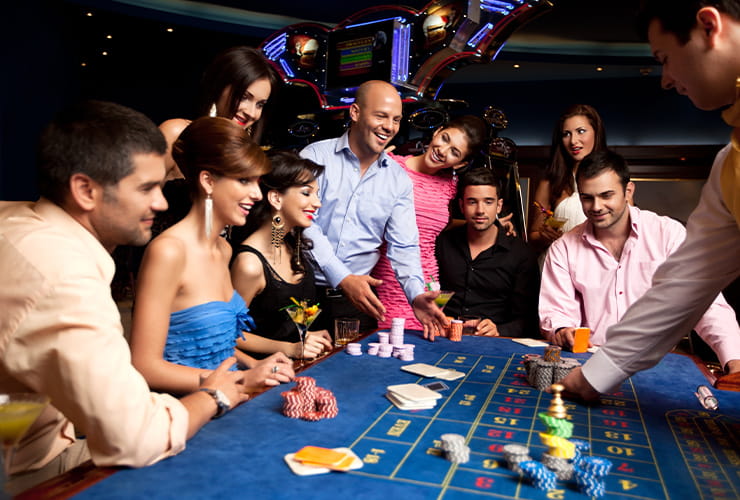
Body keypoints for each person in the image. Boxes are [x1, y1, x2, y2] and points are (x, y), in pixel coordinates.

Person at [0, 101, 249, 494]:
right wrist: (213, 395)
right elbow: (136, 436)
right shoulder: (64, 276)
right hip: (29, 473)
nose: (162, 202)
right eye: (146, 188)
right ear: (85, 190)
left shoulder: (16, 218)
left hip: (35, 438)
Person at [561, 0, 740, 399]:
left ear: (710, 26)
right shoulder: (729, 163)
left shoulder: (669, 226)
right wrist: (595, 375)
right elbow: (688, 283)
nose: (665, 79)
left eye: (665, 58)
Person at [130, 117, 294, 396]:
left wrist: (258, 365)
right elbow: (145, 366)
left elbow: (216, 345)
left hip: (226, 402)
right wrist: (242, 380)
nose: (256, 194)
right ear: (207, 180)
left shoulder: (224, 249)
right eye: (244, 180)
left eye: (257, 182)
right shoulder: (169, 251)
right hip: (180, 414)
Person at [539, 150, 740, 372]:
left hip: (658, 364)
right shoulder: (563, 248)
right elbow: (557, 313)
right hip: (591, 363)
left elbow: (707, 304)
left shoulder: (668, 234)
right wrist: (563, 330)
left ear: (628, 191)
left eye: (606, 195)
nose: (596, 206)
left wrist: (734, 360)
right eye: (587, 197)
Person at [300, 80, 447, 338]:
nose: (389, 127)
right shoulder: (315, 157)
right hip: (303, 292)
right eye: (381, 116)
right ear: (355, 112)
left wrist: (416, 294)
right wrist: (343, 277)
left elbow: (404, 245)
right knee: (298, 374)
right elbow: (305, 223)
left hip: (359, 302)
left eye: (396, 119)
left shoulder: (398, 179)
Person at [371, 115, 488, 331]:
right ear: (437, 131)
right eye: (445, 139)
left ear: (461, 163)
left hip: (429, 281)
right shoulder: (390, 165)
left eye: (455, 152)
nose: (443, 151)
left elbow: (436, 225)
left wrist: (496, 227)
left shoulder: (451, 184)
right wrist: (370, 170)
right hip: (389, 275)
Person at [230, 151, 333, 359]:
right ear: (276, 198)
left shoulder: (290, 245)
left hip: (294, 369)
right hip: (263, 376)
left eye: (317, 194)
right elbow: (230, 335)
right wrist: (290, 348)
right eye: (306, 193)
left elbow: (287, 315)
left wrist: (306, 334)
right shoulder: (249, 264)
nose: (317, 203)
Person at [435, 168, 540, 337]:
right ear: (461, 205)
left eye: (488, 202)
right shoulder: (442, 244)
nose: (480, 210)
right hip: (443, 336)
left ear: (499, 206)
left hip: (494, 343)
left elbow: (530, 319)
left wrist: (499, 330)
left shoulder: (521, 254)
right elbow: (429, 293)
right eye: (472, 202)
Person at [159, 46, 281, 181]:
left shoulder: (246, 158)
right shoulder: (176, 133)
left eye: (260, 105)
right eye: (244, 97)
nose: (252, 113)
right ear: (219, 88)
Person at [528, 104, 607, 253]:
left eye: (581, 131)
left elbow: (626, 227)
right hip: (557, 262)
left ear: (596, 133)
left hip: (597, 264)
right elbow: (533, 235)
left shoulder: (611, 177)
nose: (573, 141)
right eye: (566, 134)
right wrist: (544, 236)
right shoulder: (551, 181)